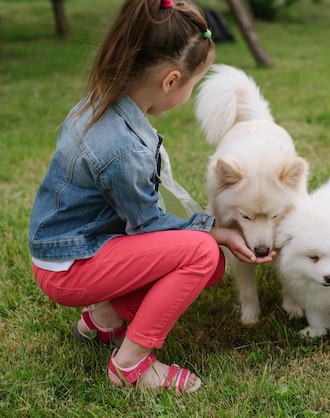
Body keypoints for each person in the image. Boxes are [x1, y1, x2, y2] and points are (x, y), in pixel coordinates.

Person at [27, 0, 273, 394]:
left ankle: (102, 321)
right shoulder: (122, 147)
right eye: (192, 86)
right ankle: (131, 364)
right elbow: (148, 227)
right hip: (72, 266)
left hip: (67, 251)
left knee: (207, 261)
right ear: (171, 81)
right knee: (203, 254)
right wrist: (217, 233)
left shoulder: (102, 102)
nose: (189, 94)